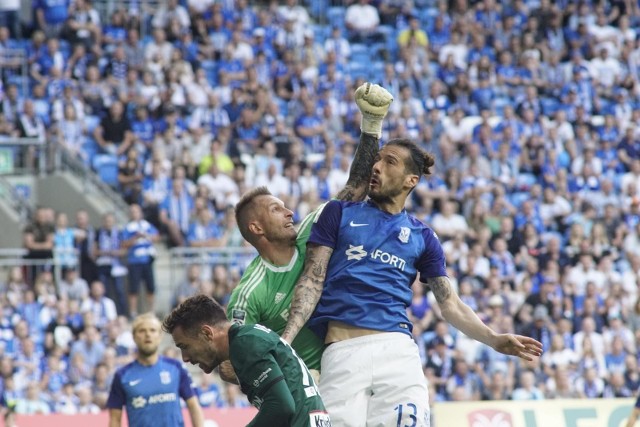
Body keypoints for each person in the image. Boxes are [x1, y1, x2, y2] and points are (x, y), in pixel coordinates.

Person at [282, 138, 544, 426]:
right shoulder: (339, 212)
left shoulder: (423, 236)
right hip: (342, 355)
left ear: (411, 180)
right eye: (377, 160)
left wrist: (493, 338)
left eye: (389, 161)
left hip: (397, 354)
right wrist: (285, 341)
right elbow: (312, 280)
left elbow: (451, 305)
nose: (377, 167)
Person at [225, 82, 393, 377]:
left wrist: (371, 125)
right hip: (311, 388)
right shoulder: (251, 292)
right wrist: (288, 376)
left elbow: (355, 188)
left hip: (353, 362)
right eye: (276, 209)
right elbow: (230, 365)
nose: (289, 211)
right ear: (256, 227)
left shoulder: (313, 232)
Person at [162, 294, 331, 426]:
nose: (185, 358)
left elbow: (281, 406)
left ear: (207, 333)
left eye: (184, 346)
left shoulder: (245, 344)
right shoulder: (248, 338)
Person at [107, 313, 204, 427]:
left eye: (152, 330)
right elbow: (114, 419)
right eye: (142, 331)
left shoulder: (176, 367)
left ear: (160, 336)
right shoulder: (122, 376)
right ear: (134, 337)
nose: (148, 335)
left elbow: (193, 406)